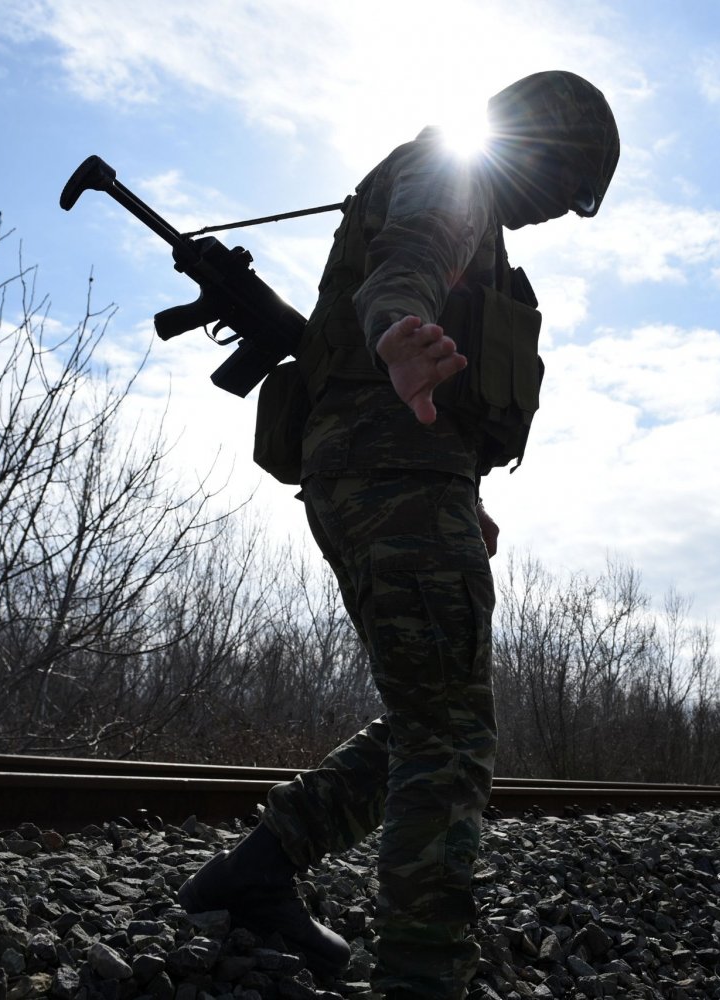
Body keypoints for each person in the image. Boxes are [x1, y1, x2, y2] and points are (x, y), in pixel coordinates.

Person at [175, 71, 620, 1000]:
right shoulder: (453, 177)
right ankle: (422, 975)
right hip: (392, 470)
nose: (551, 214)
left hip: (395, 472)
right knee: (452, 738)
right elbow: (407, 267)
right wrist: (397, 334)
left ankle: (259, 867)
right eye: (565, 189)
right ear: (541, 149)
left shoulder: (466, 200)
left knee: (431, 718)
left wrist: (458, 484)